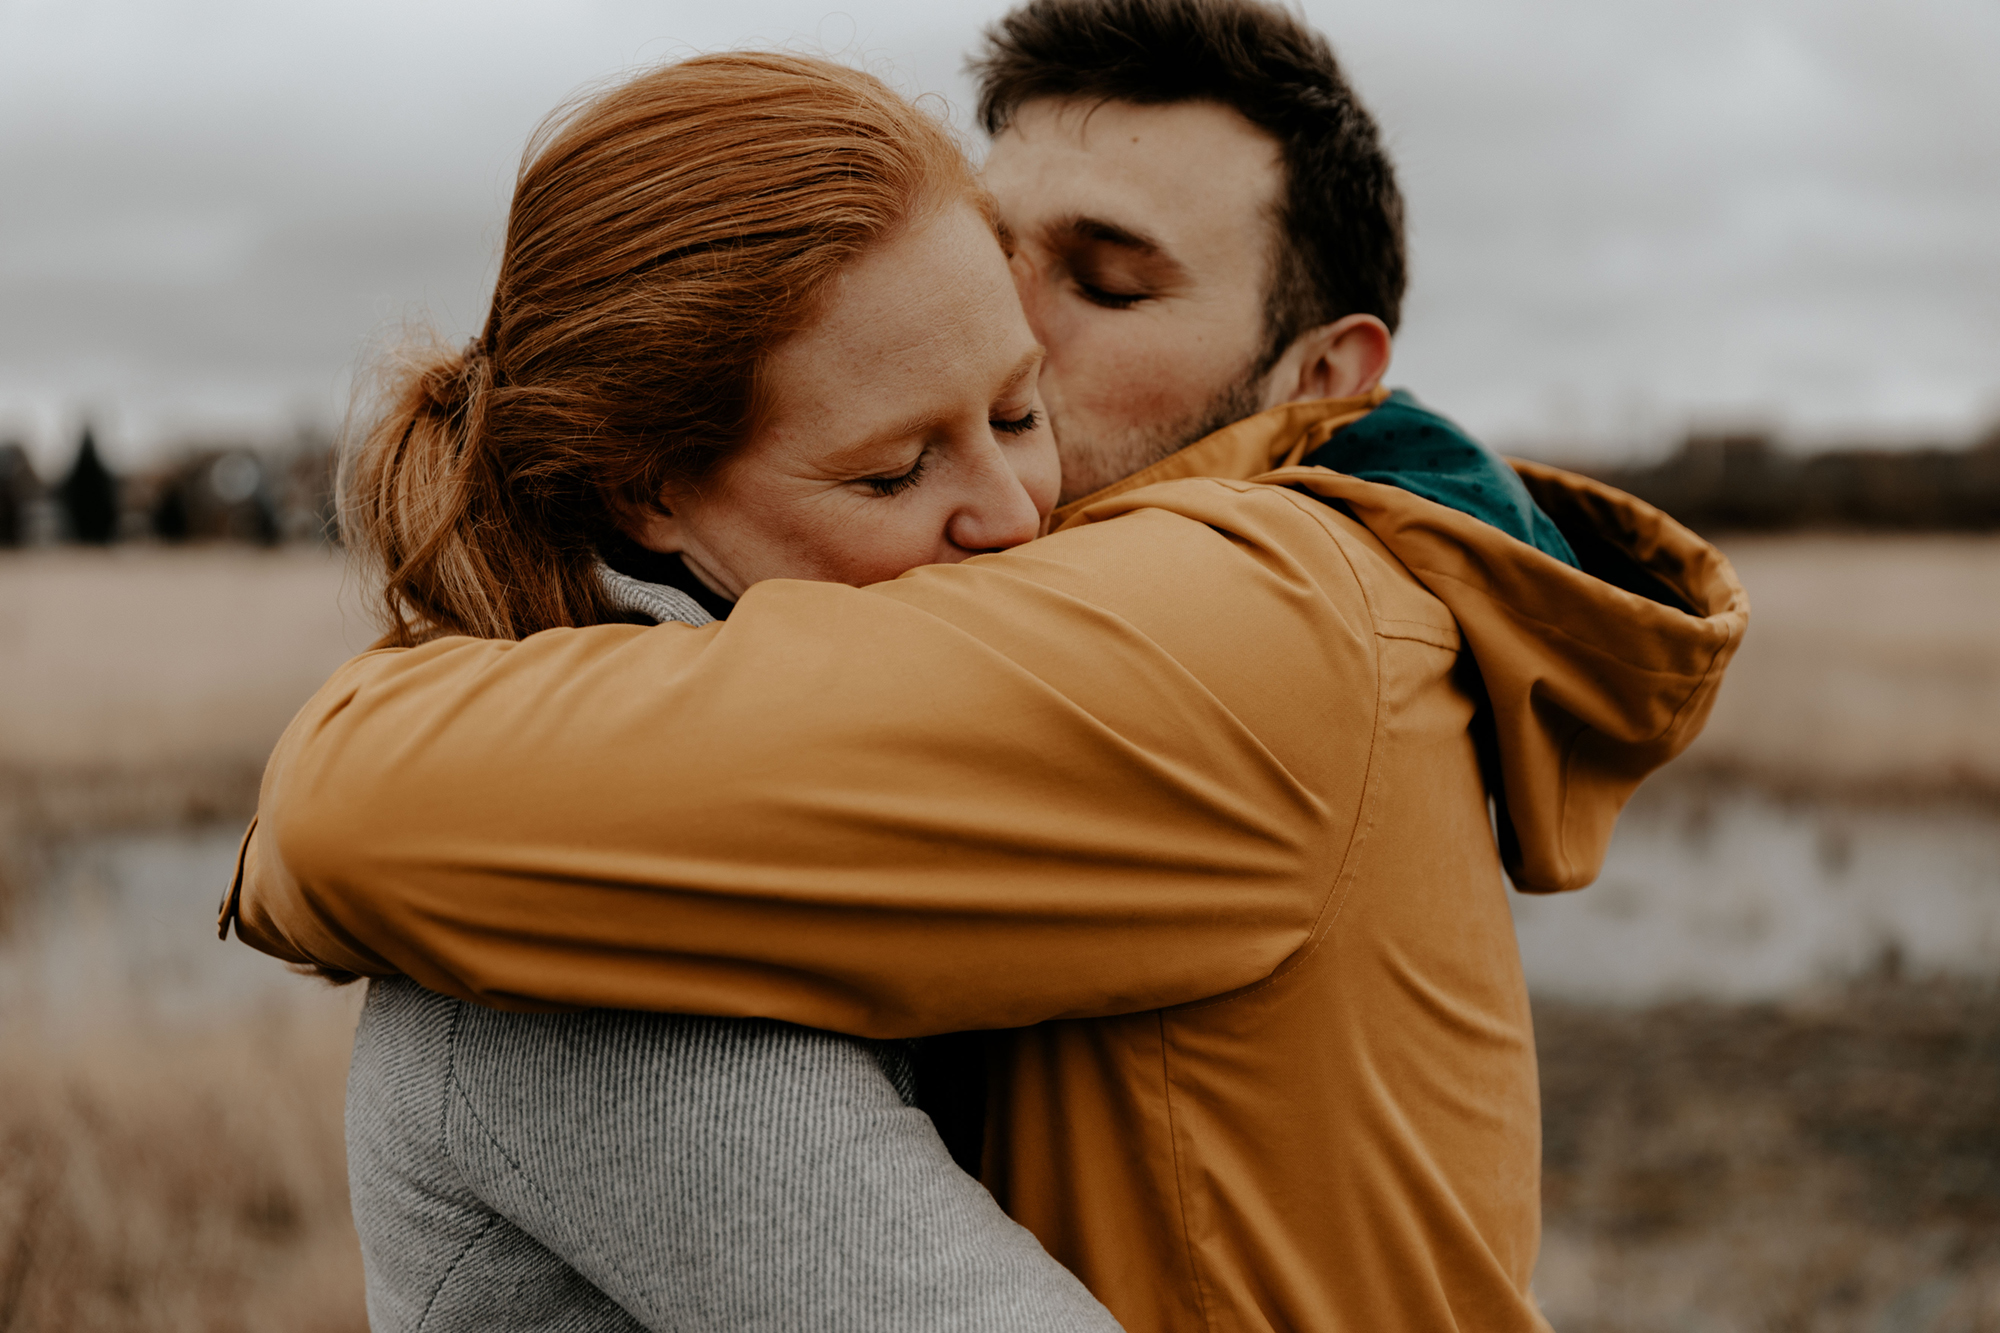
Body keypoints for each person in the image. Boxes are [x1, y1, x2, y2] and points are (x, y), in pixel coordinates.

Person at [224, 3, 1749, 1329]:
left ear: (1323, 377)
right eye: (997, 247)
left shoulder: (1255, 619)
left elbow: (357, 808)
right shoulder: (1278, 589)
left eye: (1109, 283)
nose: (1002, 317)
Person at [321, 52, 1123, 1332]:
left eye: (1018, 412)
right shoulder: (591, 946)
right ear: (649, 489)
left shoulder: (858, 768)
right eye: (894, 471)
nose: (1015, 513)